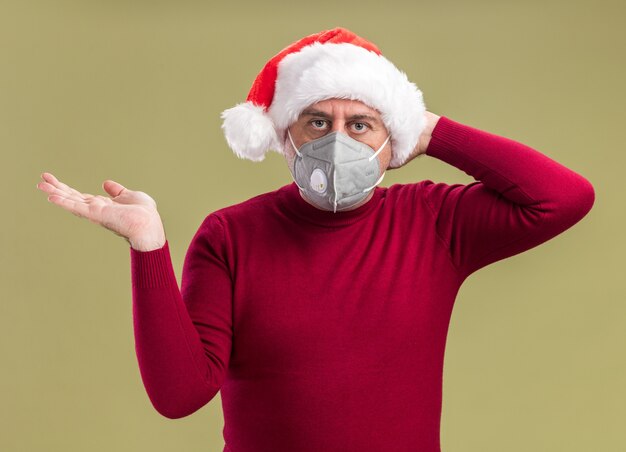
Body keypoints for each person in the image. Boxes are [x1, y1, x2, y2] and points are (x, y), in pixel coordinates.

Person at [37, 27, 595, 452]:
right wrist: (148, 247)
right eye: (317, 121)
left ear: (391, 140)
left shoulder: (433, 219)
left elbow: (563, 198)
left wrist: (430, 130)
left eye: (360, 123)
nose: (337, 139)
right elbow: (180, 395)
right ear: (285, 136)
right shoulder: (230, 235)